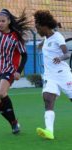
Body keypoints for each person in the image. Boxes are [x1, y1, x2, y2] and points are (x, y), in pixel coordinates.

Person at [34, 10, 72, 140]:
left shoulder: (58, 37)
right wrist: (41, 44)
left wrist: (60, 58)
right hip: (50, 76)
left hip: (63, 75)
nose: (37, 30)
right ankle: (49, 131)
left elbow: (67, 53)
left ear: (45, 26)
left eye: (38, 27)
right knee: (47, 98)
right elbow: (46, 42)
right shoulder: (46, 37)